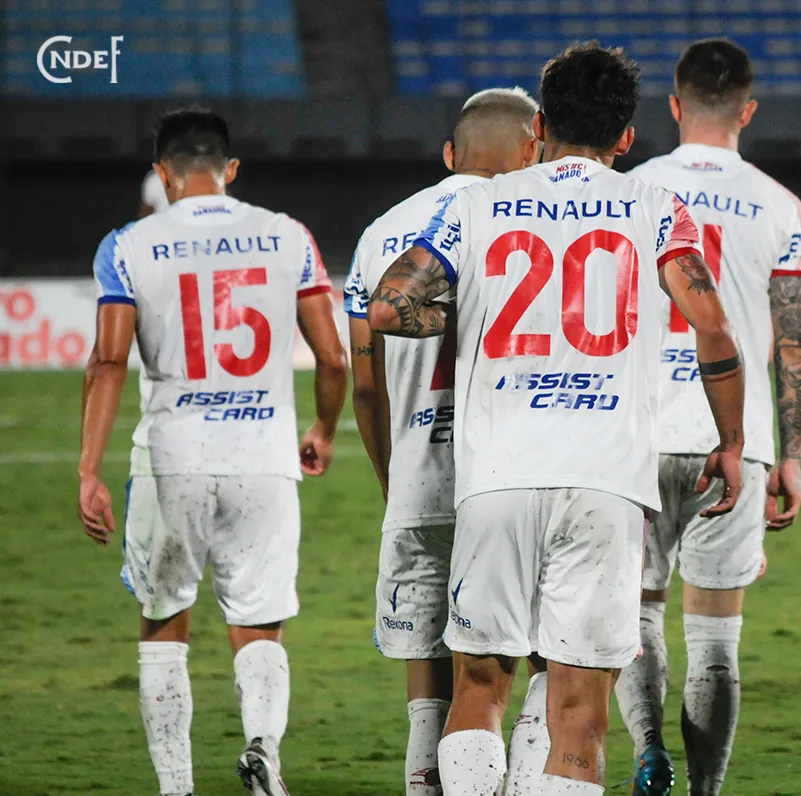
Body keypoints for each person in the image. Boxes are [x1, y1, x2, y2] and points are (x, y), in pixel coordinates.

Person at [367, 41, 747, 796]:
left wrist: (468, 320)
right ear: (627, 136)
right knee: (579, 704)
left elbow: (388, 307)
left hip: (497, 476)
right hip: (606, 481)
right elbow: (711, 324)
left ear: (538, 126)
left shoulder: (474, 204)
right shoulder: (654, 205)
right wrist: (731, 441)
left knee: (479, 683)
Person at [77, 107, 348, 796]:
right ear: (229, 169)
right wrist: (322, 428)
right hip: (263, 457)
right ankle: (263, 751)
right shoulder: (288, 235)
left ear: (162, 173)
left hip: (171, 460)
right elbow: (333, 357)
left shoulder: (128, 244)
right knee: (259, 624)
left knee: (164, 622)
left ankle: (177, 787)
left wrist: (88, 469)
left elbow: (108, 361)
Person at [613, 38, 801, 796]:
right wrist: (789, 457)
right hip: (732, 439)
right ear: (748, 111)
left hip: (633, 436)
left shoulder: (630, 190)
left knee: (635, 615)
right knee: (715, 640)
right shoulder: (780, 206)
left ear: (673, 105)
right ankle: (704, 792)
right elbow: (791, 343)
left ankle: (648, 752)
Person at [344, 86, 542, 796]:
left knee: (427, 677)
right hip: (513, 477)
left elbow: (366, 385)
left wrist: (392, 480)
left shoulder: (381, 234)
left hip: (417, 481)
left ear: (450, 153)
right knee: (541, 662)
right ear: (534, 150)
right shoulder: (534, 221)